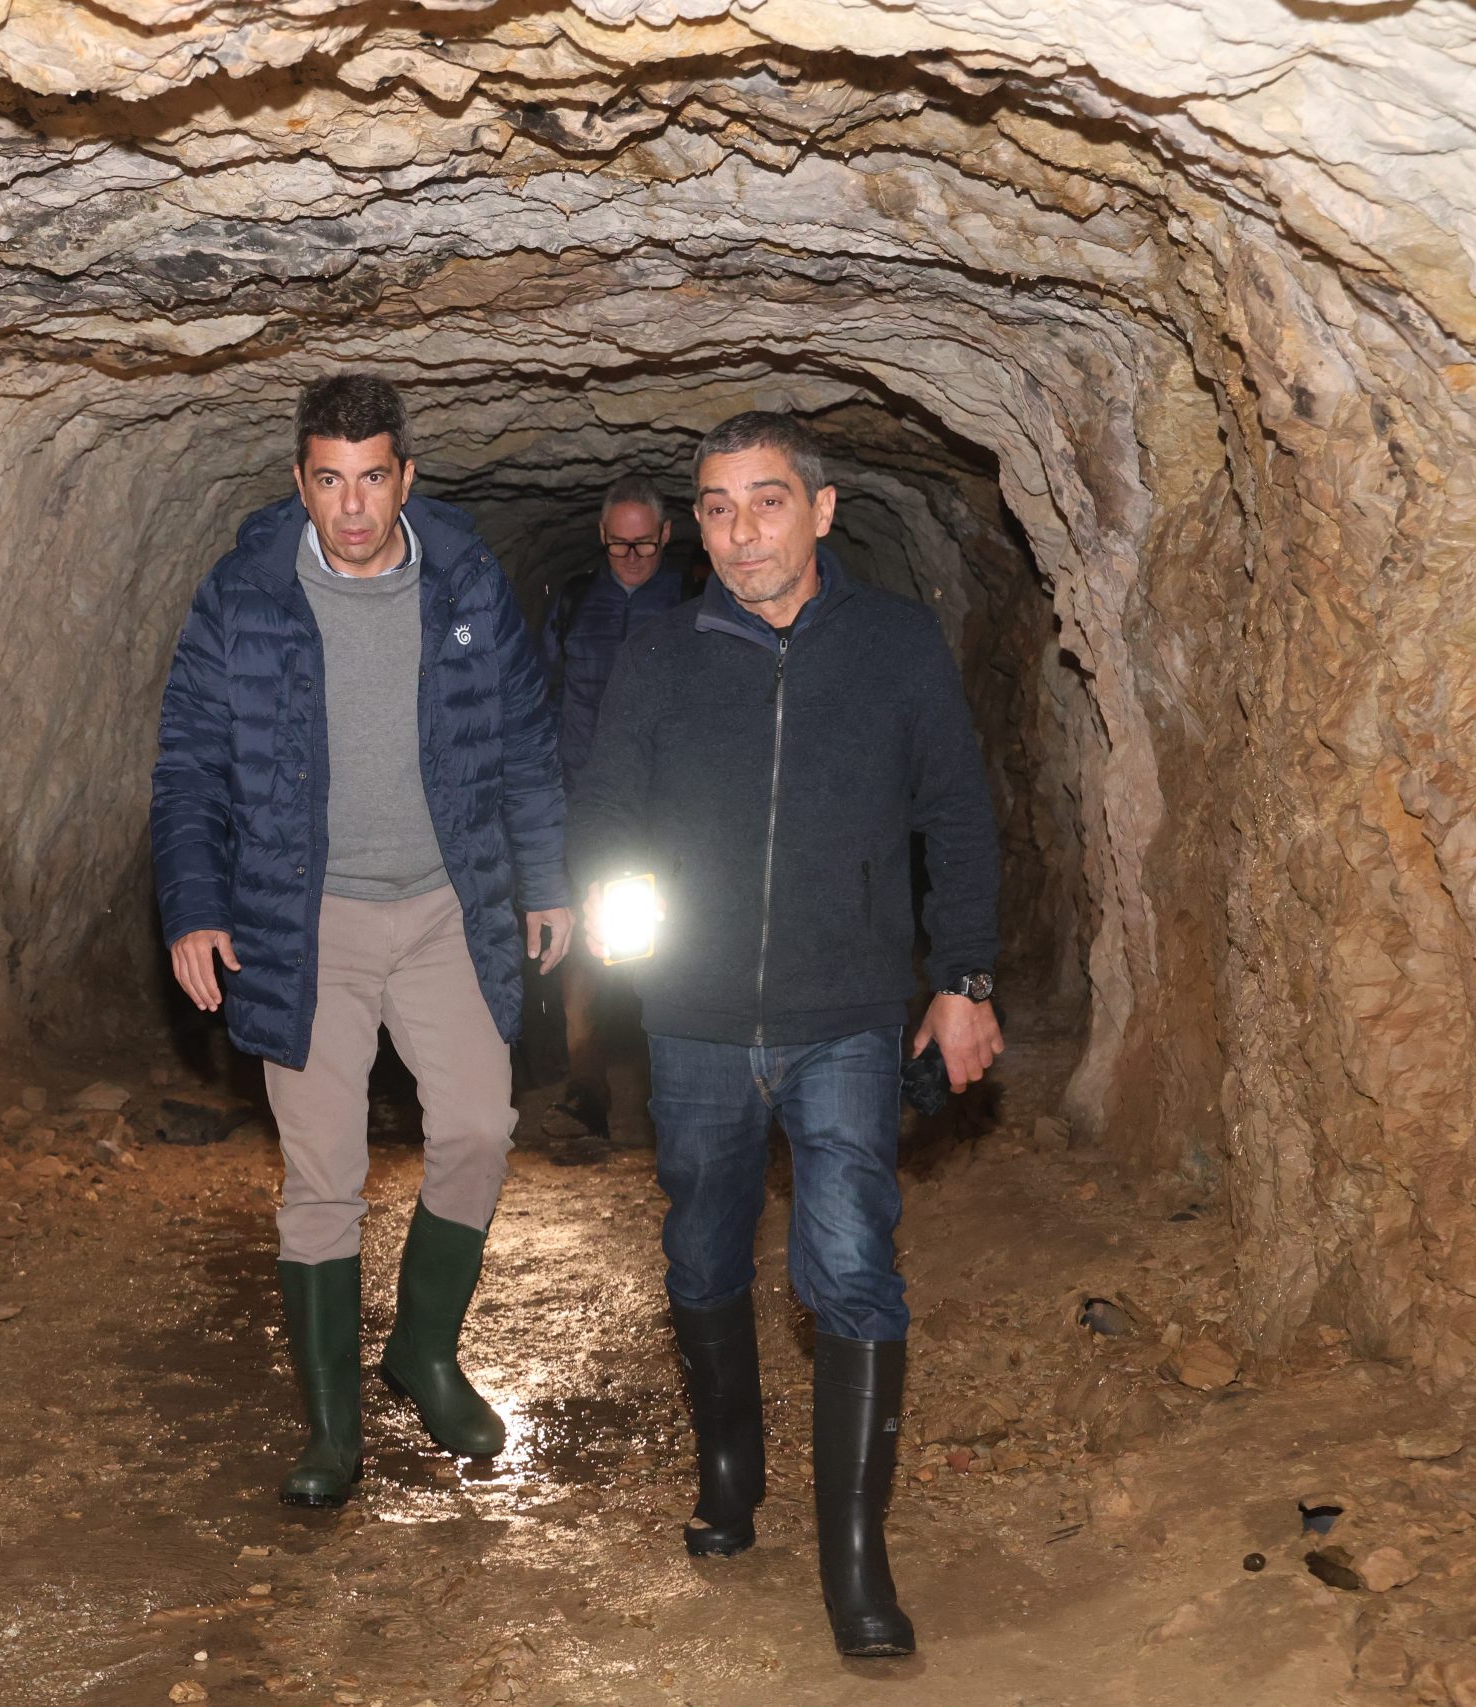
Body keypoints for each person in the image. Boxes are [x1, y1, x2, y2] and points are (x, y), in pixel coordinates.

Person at [566, 411, 1002, 1657]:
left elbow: (957, 815)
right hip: (696, 1018)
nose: (739, 529)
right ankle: (727, 1463)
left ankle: (853, 1559)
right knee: (701, 1246)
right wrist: (612, 905)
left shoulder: (894, 647)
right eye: (715, 507)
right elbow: (604, 801)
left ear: (818, 512)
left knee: (852, 1261)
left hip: (846, 1016)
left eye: (764, 502)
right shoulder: (660, 656)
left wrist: (963, 977)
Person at [150, 373, 573, 1507]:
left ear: (406, 478)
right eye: (327, 481)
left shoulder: (468, 581)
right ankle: (331, 1431)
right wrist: (194, 904)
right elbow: (189, 758)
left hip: (446, 903)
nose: (350, 505)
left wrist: (548, 878)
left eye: (371, 478)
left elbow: (525, 740)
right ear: (299, 482)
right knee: (322, 1172)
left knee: (480, 1126)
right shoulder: (244, 596)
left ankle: (423, 1353)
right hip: (307, 914)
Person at [538, 473, 685, 1145]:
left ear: (666, 536)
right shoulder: (573, 603)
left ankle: (677, 1095)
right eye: (619, 544)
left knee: (678, 950)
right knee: (585, 958)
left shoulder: (695, 602)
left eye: (644, 546)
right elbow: (540, 699)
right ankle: (587, 1089)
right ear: (602, 536)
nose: (631, 557)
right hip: (578, 801)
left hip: (666, 810)